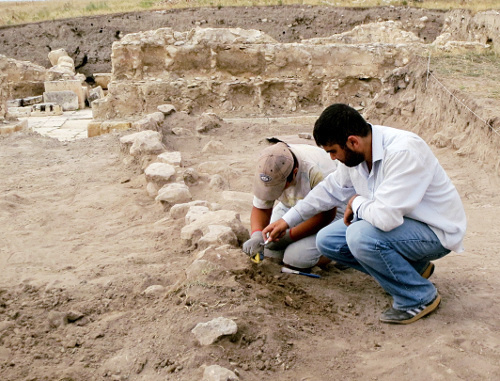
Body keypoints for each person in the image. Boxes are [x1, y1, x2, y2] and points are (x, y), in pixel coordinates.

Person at [263, 104, 466, 324]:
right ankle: (414, 270)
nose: (331, 158)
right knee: (328, 240)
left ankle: (418, 297)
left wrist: (356, 202)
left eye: (333, 151)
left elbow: (386, 219)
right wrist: (287, 220)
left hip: (433, 231)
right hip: (400, 224)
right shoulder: (357, 154)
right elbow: (330, 189)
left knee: (359, 236)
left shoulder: (403, 152)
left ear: (352, 142)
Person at [242, 141, 344, 271]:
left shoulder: (316, 172)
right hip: (292, 205)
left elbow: (326, 215)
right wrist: (256, 235)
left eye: (278, 188)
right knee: (270, 250)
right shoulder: (268, 166)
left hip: (335, 210)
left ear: (295, 173)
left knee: (296, 260)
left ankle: (341, 253)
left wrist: (290, 236)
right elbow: (261, 207)